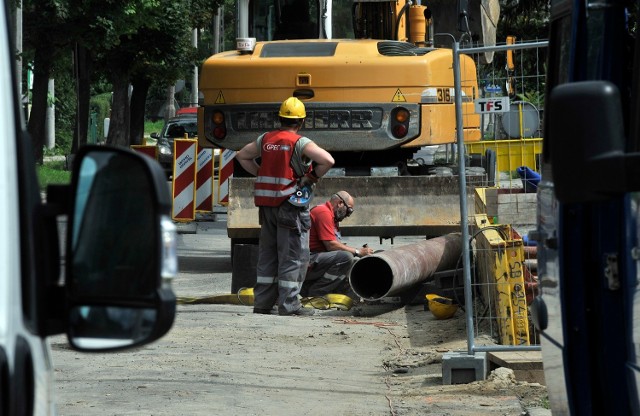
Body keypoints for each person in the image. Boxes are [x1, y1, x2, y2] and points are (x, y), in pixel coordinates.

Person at [235, 97, 335, 316]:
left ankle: (262, 304)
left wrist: (261, 173)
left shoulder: (265, 140)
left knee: (268, 255)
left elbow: (242, 156)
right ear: (300, 122)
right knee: (292, 256)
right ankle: (289, 306)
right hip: (289, 207)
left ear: (280, 118)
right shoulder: (299, 142)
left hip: (266, 208)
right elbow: (328, 160)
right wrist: (310, 177)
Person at [301, 191, 374, 299]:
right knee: (346, 258)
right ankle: (317, 292)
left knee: (352, 262)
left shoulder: (332, 218)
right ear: (340, 203)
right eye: (349, 210)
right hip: (308, 260)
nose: (348, 215)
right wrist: (357, 252)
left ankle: (312, 288)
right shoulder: (323, 212)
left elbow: (335, 245)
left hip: (317, 259)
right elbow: (331, 246)